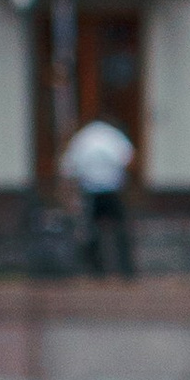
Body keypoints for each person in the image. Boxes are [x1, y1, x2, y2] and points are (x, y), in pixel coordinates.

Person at [59, 110, 136, 276]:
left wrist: (68, 194)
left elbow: (68, 168)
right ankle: (127, 270)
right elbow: (129, 160)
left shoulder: (81, 138)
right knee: (120, 231)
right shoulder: (113, 136)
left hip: (90, 191)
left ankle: (96, 270)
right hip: (112, 190)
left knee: (90, 232)